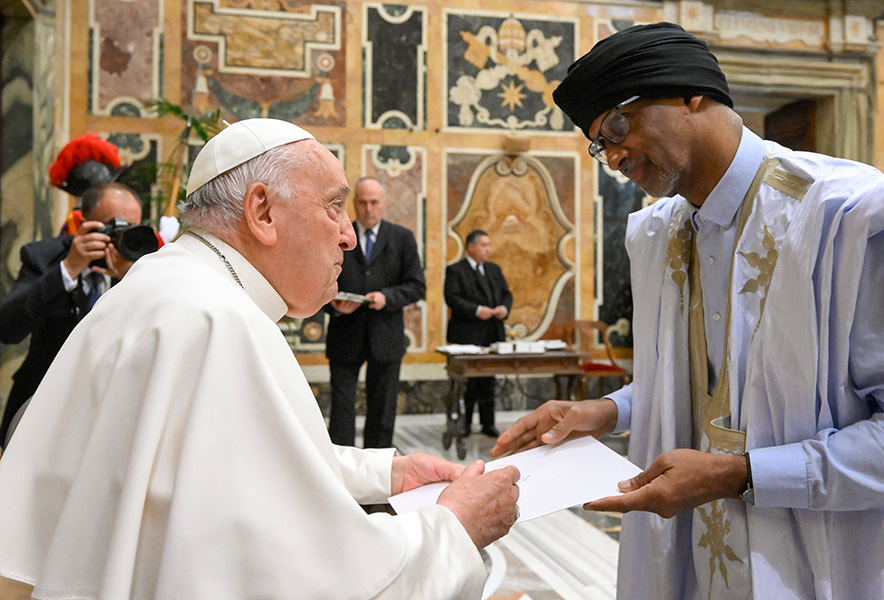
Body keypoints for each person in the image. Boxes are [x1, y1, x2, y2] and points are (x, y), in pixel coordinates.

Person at [492, 22, 884, 600]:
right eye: (600, 143)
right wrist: (606, 410)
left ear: (688, 93)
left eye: (619, 125)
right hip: (705, 565)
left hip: (841, 566)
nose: (615, 154)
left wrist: (741, 475)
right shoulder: (662, 232)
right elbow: (722, 390)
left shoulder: (844, 220)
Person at [0, 118, 521, 599]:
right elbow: (311, 574)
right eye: (333, 207)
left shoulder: (168, 282)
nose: (346, 235)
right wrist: (453, 528)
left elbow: (223, 463)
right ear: (263, 212)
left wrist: (385, 473)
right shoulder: (221, 321)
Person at [0, 182, 146, 448]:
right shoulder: (44, 257)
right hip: (40, 407)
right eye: (112, 227)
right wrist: (68, 269)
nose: (120, 238)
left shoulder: (144, 266)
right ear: (83, 221)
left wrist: (131, 280)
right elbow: (8, 328)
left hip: (110, 415)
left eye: (130, 228)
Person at [324, 177, 425, 448]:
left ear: (384, 204)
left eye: (374, 202)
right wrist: (332, 304)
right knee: (342, 407)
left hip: (386, 336)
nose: (368, 208)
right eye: (362, 202)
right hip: (345, 333)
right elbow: (316, 281)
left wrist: (387, 297)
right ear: (353, 203)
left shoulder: (402, 238)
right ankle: (342, 465)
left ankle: (378, 466)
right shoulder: (336, 235)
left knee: (383, 408)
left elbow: (417, 286)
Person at [444, 230, 513, 437]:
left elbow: (506, 294)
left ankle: (488, 423)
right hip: (467, 334)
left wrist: (504, 308)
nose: (487, 249)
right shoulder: (456, 270)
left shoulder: (493, 269)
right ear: (471, 246)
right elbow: (452, 298)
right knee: (469, 383)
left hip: (492, 333)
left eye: (489, 245)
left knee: (488, 381)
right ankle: (465, 424)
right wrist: (477, 310)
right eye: (483, 245)